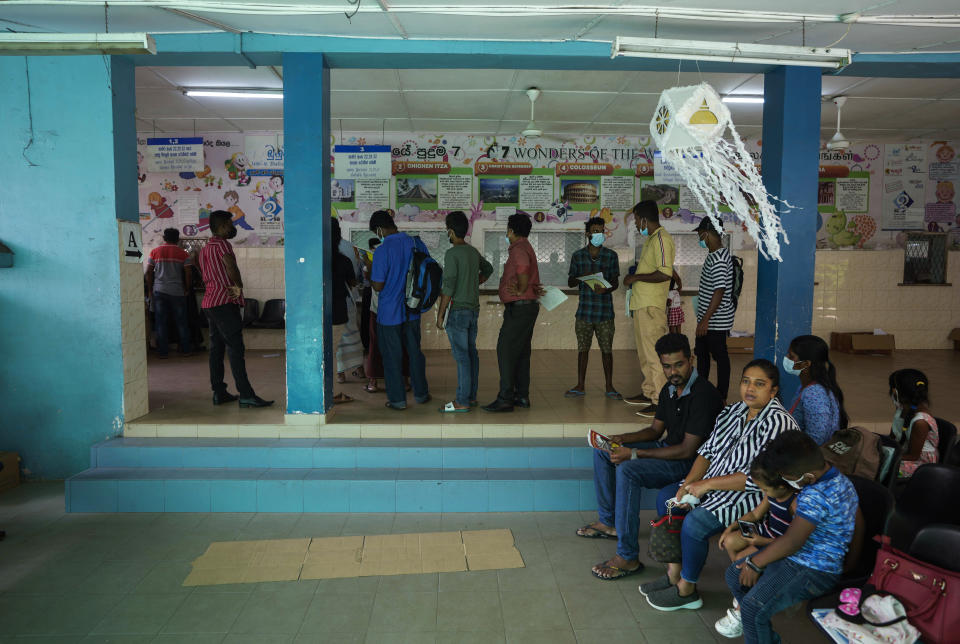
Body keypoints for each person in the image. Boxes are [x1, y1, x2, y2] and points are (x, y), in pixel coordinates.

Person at [643, 359, 799, 611]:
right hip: (710, 484)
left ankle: (687, 589)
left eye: (760, 384)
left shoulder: (778, 423)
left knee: (696, 522)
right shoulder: (734, 411)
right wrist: (689, 484)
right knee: (667, 498)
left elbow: (759, 477)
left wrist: (705, 485)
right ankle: (674, 574)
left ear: (773, 390)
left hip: (747, 496)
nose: (750, 388)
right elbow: (706, 453)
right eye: (746, 381)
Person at [579, 333, 724, 580]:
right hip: (669, 450)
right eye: (667, 366)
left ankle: (627, 556)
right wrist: (622, 439)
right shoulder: (669, 388)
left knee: (628, 469)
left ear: (691, 360)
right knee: (604, 451)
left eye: (679, 364)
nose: (672, 371)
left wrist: (634, 454)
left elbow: (687, 450)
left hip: (691, 465)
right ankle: (609, 522)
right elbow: (656, 430)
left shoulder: (703, 394)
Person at [722, 432, 862, 643]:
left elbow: (792, 541)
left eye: (786, 477)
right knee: (735, 574)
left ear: (807, 477)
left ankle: (756, 623)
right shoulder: (839, 479)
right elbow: (859, 521)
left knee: (751, 608)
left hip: (814, 569)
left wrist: (756, 562)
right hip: (799, 558)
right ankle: (762, 632)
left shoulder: (816, 495)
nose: (786, 482)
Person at [714, 451, 798, 637]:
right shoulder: (772, 494)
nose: (763, 493)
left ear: (783, 487)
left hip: (776, 544)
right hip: (764, 534)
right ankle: (744, 590)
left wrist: (761, 542)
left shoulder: (794, 503)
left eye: (765, 489)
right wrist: (732, 527)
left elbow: (792, 541)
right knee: (730, 542)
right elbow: (755, 515)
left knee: (740, 562)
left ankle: (743, 605)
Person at [198, 211, 273, 408]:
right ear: (222, 226)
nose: (233, 227)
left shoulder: (205, 249)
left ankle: (219, 392)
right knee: (235, 348)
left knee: (216, 349)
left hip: (209, 303)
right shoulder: (223, 245)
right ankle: (246, 394)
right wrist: (238, 286)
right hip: (224, 302)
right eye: (230, 224)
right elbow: (230, 267)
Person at [369, 210, 430, 410]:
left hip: (389, 314)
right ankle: (421, 394)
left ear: (379, 229)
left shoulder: (382, 250)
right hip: (412, 309)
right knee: (414, 353)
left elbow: (378, 285)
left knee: (392, 356)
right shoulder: (416, 243)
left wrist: (369, 272)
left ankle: (397, 400)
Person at [435, 211, 494, 413]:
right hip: (472, 311)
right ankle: (471, 396)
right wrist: (474, 283)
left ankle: (462, 401)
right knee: (471, 355)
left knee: (462, 357)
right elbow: (489, 269)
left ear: (450, 231)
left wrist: (440, 314)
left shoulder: (451, 254)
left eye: (447, 230)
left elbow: (448, 286)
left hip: (457, 312)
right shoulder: (472, 252)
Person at [484, 213, 541, 413]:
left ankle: (505, 398)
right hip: (526, 307)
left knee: (505, 350)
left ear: (511, 231)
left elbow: (523, 268)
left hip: (520, 307)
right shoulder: (526, 246)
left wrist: (521, 288)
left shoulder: (518, 249)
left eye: (507, 230)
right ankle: (521, 396)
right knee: (521, 353)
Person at [623, 201, 675, 417]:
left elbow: (665, 273)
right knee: (645, 354)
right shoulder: (651, 240)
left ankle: (660, 400)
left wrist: (635, 277)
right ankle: (649, 392)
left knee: (654, 355)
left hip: (652, 307)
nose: (636, 224)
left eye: (636, 220)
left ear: (644, 219)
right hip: (642, 304)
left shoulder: (662, 239)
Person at [565, 217, 621, 399]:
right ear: (587, 233)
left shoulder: (611, 256)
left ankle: (610, 386)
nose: (599, 234)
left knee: (607, 351)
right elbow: (571, 282)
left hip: (605, 312)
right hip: (584, 312)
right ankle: (580, 385)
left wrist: (606, 288)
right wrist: (584, 275)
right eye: (595, 231)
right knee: (583, 350)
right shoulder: (578, 256)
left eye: (601, 230)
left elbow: (615, 282)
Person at [693, 216, 735, 402]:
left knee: (718, 355)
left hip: (715, 320)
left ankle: (721, 394)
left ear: (708, 233)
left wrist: (705, 320)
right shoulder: (719, 254)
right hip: (712, 318)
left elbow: (719, 290)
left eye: (701, 235)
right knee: (702, 354)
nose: (700, 239)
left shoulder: (718, 258)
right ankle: (702, 389)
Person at [783, 335, 848, 445]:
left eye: (791, 356)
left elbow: (816, 438)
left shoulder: (814, 394)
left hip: (809, 456)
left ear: (806, 364)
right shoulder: (805, 387)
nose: (786, 358)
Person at [146, 227, 194, 358]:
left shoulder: (154, 252)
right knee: (181, 322)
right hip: (177, 292)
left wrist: (150, 290)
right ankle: (186, 350)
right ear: (177, 239)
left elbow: (148, 272)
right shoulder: (183, 254)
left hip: (159, 291)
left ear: (164, 238)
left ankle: (163, 352)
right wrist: (187, 288)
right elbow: (188, 273)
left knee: (161, 322)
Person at [889, 369, 938, 479]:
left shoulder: (920, 422)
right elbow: (893, 438)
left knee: (881, 466)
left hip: (921, 464)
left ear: (896, 392)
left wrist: (887, 456)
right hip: (904, 453)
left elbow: (914, 456)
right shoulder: (902, 410)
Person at [333, 219, 364, 384]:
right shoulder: (349, 248)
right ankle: (359, 368)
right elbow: (356, 276)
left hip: (326, 302)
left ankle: (339, 373)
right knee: (351, 334)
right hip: (346, 300)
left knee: (334, 339)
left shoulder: (318, 247)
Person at [330, 221, 357, 405]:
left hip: (314, 314)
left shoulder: (313, 258)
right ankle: (331, 394)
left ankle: (321, 393)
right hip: (337, 313)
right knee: (330, 353)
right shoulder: (344, 260)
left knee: (318, 355)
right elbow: (353, 283)